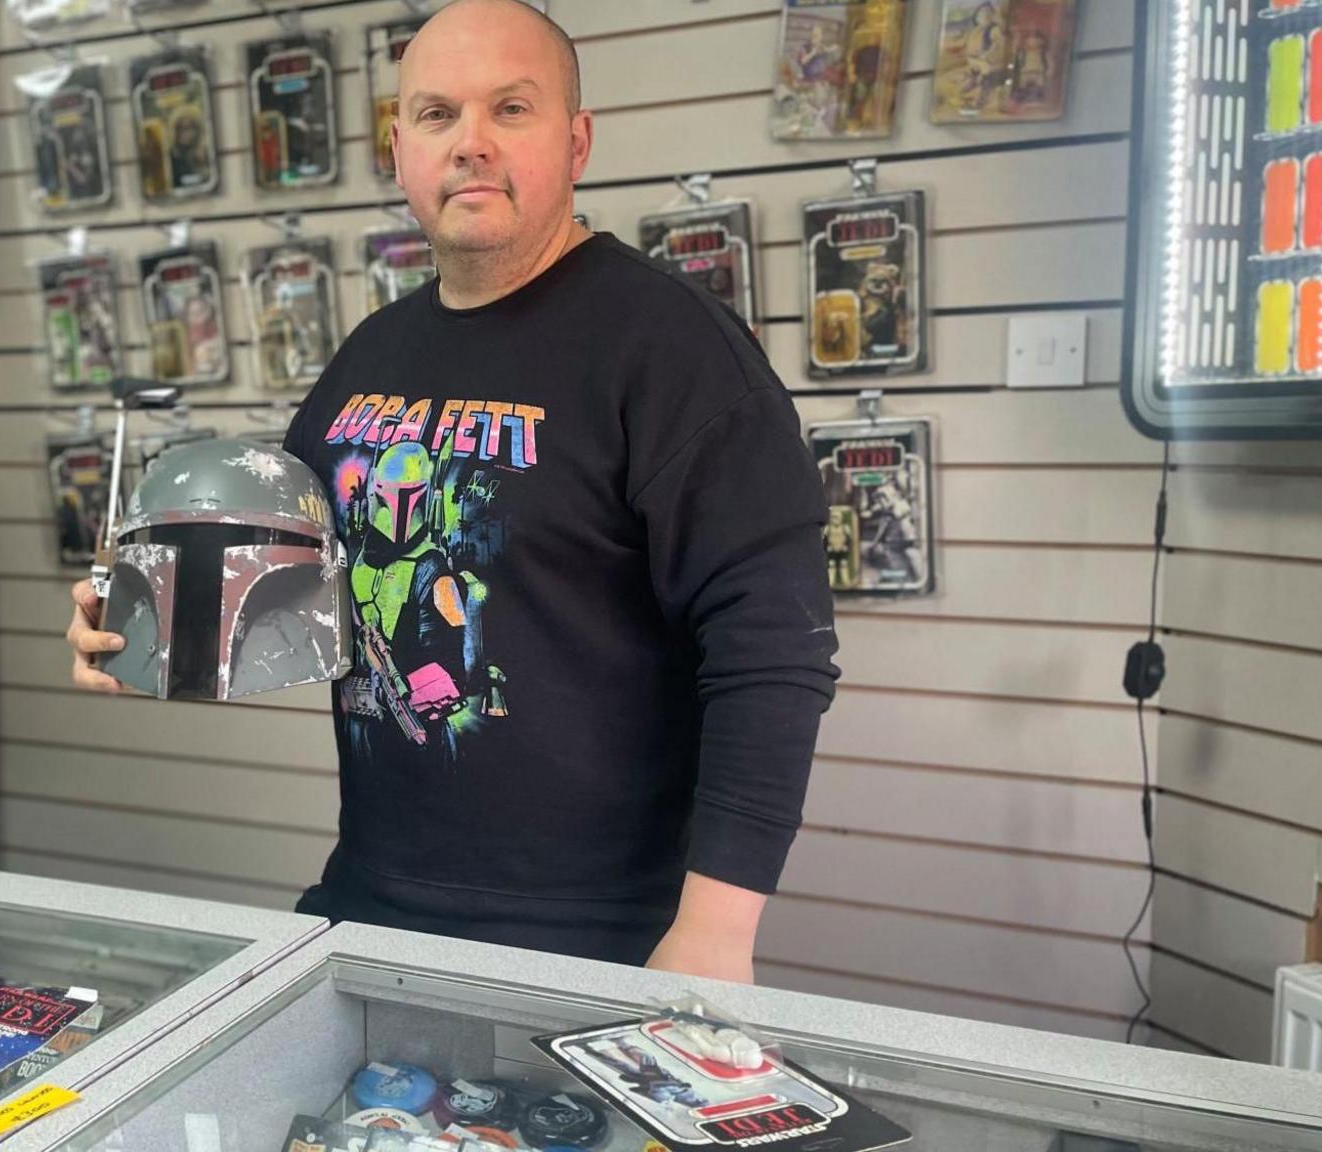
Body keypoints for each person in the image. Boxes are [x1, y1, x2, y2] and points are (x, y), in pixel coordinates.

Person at [68, 0, 838, 980]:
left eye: (508, 109)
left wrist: (715, 933)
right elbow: (289, 585)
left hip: (601, 929)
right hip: (370, 896)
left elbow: (774, 651)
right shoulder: (369, 356)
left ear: (575, 141)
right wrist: (134, 621)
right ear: (397, 150)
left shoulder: (670, 350)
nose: (468, 143)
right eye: (435, 115)